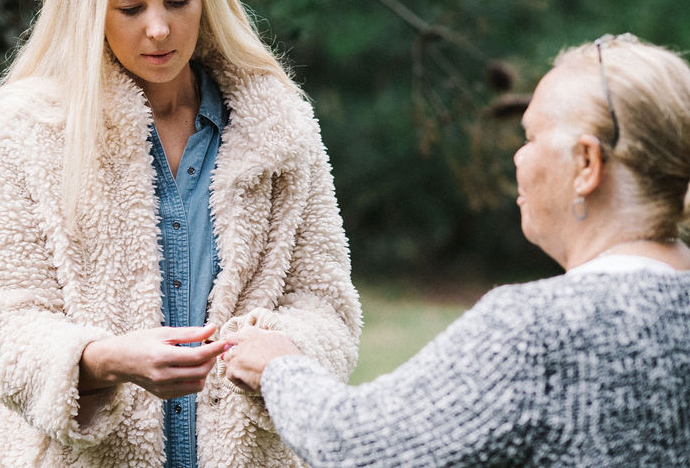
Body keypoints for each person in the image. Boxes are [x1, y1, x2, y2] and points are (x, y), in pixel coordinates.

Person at [0, 0, 362, 467]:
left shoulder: (280, 126)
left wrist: (281, 351)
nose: (159, 28)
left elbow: (327, 306)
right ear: (90, 8)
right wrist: (104, 360)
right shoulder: (30, 128)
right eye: (129, 7)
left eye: (178, 1)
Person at [222, 33, 690, 466]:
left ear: (586, 164)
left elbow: (359, 446)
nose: (518, 157)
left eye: (530, 137)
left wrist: (279, 367)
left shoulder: (537, 331)